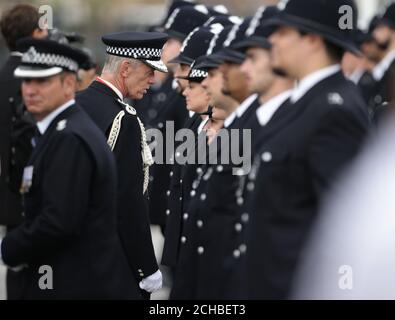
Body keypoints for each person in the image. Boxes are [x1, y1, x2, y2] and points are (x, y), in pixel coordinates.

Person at [238, 0, 369, 299]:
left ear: (311, 39)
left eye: (283, 32)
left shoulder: (336, 110)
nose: (273, 41)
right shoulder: (304, 103)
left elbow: (344, 228)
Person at [0, 38, 140, 299]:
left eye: (42, 81)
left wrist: (9, 247)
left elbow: (57, 222)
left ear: (68, 84)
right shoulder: (60, 129)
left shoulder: (69, 137)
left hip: (74, 282)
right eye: (26, 81)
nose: (30, 90)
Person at [76, 31, 168, 298]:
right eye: (149, 71)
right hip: (111, 260)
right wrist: (146, 268)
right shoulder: (123, 119)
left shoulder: (75, 104)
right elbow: (127, 202)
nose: (153, 80)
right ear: (126, 68)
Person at [0, 3, 48, 300]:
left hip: (7, 194)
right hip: (33, 191)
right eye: (42, 29)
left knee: (15, 267)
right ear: (33, 34)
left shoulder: (3, 74)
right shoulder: (35, 79)